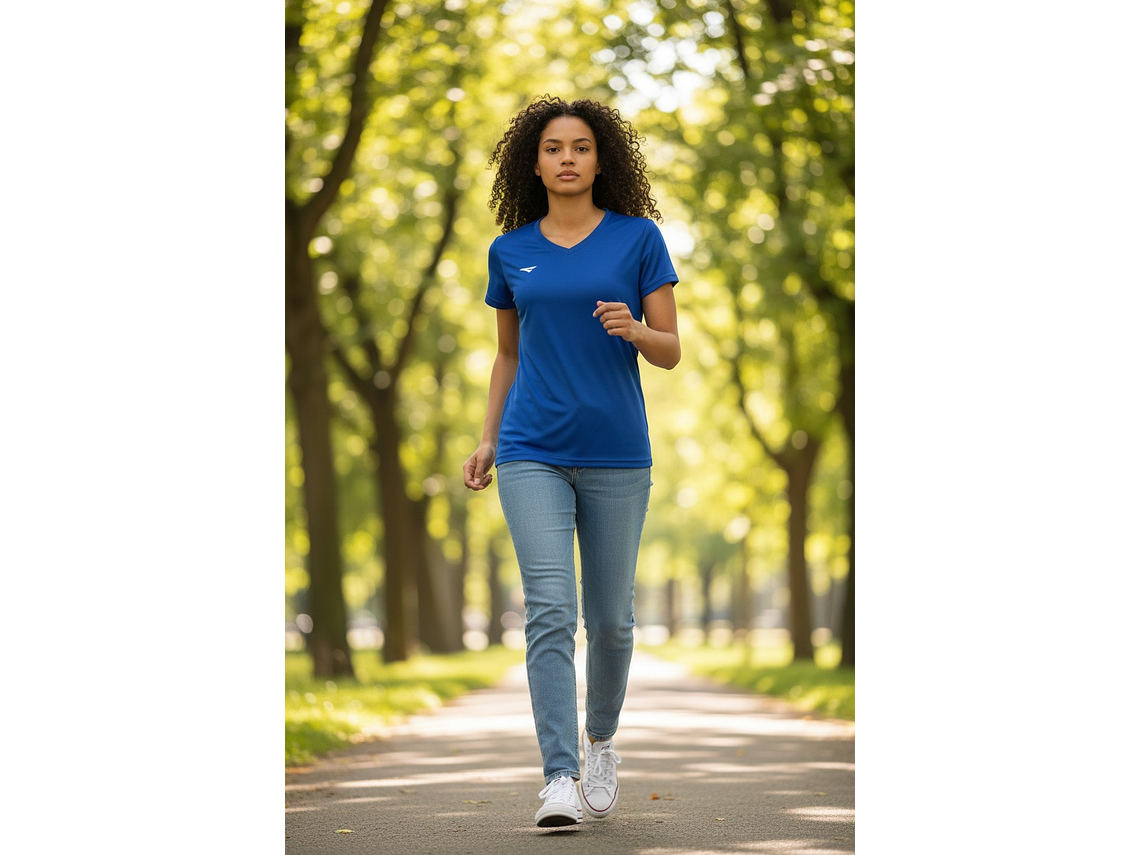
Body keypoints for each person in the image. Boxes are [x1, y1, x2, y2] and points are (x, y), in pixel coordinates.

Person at [463, 95, 682, 828]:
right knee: (550, 610)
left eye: (581, 147)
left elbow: (672, 349)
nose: (567, 158)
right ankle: (557, 776)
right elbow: (506, 353)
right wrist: (490, 438)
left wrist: (637, 328)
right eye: (553, 147)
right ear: (534, 161)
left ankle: (600, 740)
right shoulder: (509, 250)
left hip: (618, 450)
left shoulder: (637, 239)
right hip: (532, 450)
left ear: (601, 159)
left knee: (611, 621)